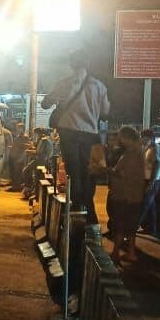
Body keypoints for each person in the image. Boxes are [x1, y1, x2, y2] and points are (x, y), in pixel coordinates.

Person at [41, 50, 110, 229]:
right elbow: (105, 112)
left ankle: (78, 207)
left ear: (72, 64)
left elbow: (45, 103)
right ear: (87, 64)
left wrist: (58, 102)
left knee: (73, 171)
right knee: (85, 170)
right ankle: (87, 210)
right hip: (89, 133)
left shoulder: (64, 84)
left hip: (68, 131)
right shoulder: (99, 86)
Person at [107, 126, 145, 264]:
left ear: (127, 138)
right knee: (131, 226)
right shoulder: (138, 152)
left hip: (125, 196)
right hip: (134, 196)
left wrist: (108, 170)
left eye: (121, 137)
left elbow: (123, 174)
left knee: (120, 225)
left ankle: (116, 252)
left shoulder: (132, 154)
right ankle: (131, 252)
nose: (119, 140)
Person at [138, 129, 160, 237]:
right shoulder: (149, 148)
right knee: (150, 206)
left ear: (148, 137)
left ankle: (131, 230)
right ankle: (151, 229)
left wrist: (151, 183)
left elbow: (156, 167)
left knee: (143, 206)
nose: (141, 139)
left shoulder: (154, 149)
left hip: (151, 180)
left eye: (142, 137)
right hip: (150, 180)